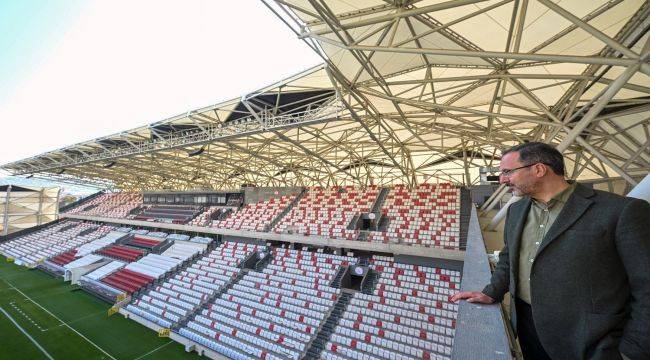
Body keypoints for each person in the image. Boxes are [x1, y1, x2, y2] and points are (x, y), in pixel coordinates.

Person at [450, 142, 649, 360]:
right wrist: (491, 292)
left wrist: (632, 351)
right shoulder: (517, 211)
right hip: (528, 329)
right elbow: (509, 258)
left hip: (589, 339)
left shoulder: (621, 211)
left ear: (538, 169)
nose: (502, 179)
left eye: (507, 172)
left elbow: (646, 285)